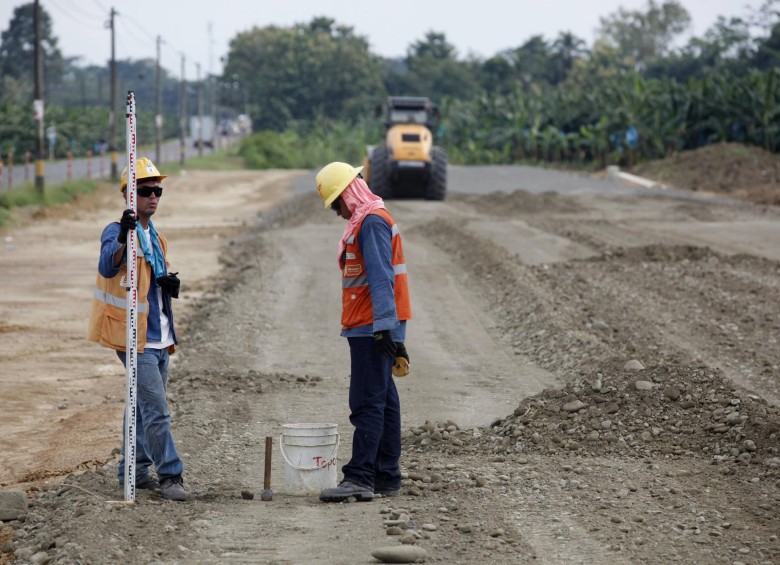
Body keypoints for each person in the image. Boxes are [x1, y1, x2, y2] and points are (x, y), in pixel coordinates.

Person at [86, 156, 186, 502]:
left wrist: (166, 282)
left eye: (157, 191)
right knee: (157, 409)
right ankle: (171, 475)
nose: (153, 197)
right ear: (130, 195)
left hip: (159, 335)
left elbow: (150, 281)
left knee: (143, 407)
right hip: (132, 337)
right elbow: (107, 264)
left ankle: (135, 470)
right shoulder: (117, 231)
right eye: (145, 191)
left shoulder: (156, 237)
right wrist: (125, 234)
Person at [314, 162, 412, 503]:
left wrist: (385, 330)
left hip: (371, 327)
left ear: (347, 194)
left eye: (336, 204)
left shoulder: (370, 222)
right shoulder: (372, 219)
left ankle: (360, 477)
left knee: (366, 401)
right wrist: (392, 332)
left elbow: (381, 277)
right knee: (384, 400)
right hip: (374, 324)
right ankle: (387, 474)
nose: (338, 213)